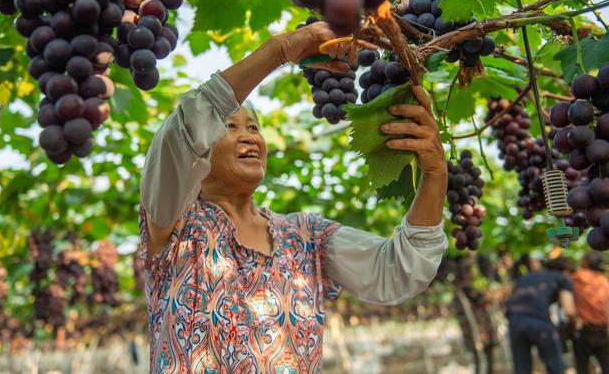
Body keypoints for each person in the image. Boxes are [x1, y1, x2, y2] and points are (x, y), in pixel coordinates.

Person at [138, 21, 448, 373]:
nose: (249, 136)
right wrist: (281, 50)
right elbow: (183, 131)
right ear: (203, 149)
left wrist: (436, 176)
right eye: (230, 126)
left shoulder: (306, 237)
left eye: (254, 127)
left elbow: (399, 271)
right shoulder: (176, 225)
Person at [504, 255, 577, 374]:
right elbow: (569, 310)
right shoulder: (562, 278)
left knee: (521, 368)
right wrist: (576, 323)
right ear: (566, 271)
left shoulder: (527, 277)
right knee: (555, 366)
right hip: (539, 322)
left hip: (515, 321)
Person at [571, 251, 609, 373]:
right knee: (606, 365)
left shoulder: (577, 276)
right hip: (602, 329)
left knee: (582, 366)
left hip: (582, 328)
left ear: (586, 261)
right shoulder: (603, 280)